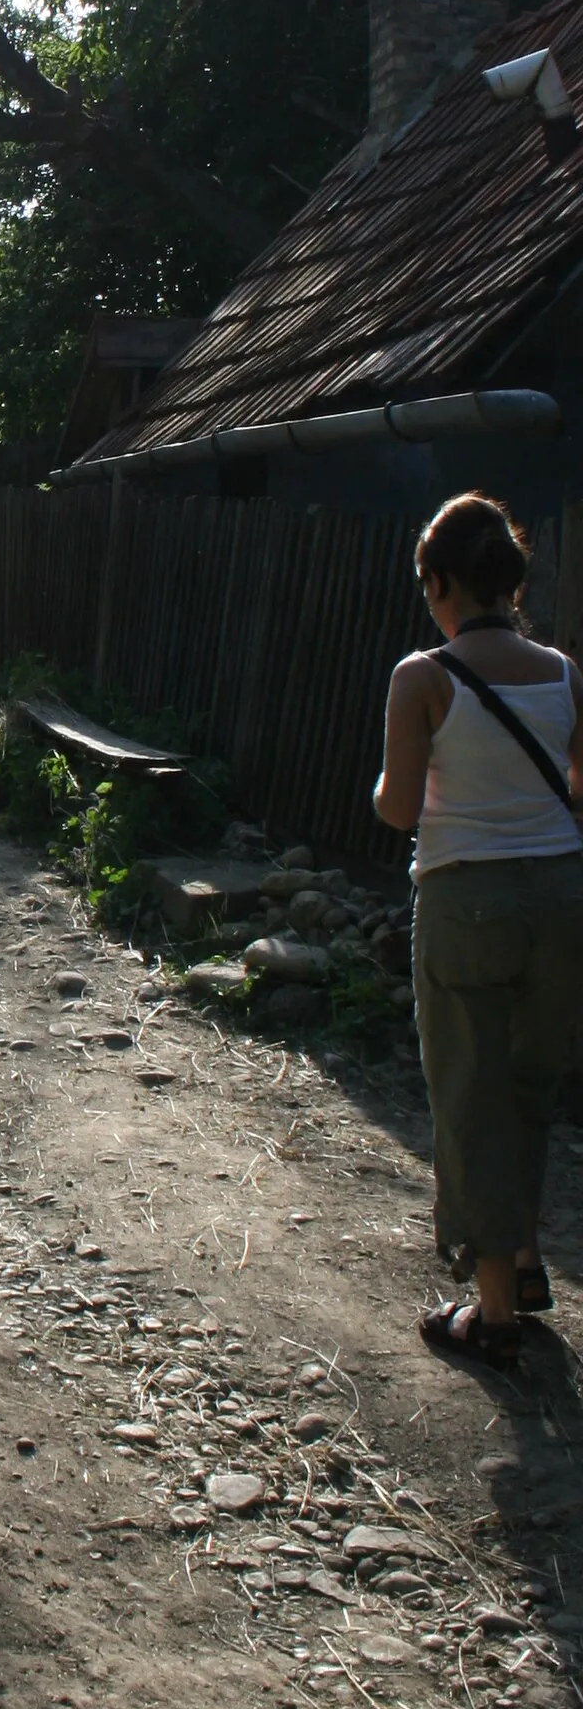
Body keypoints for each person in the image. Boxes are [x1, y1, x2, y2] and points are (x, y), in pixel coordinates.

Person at [374, 491, 583, 1369]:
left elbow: (396, 809)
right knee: (531, 1089)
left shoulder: (422, 677)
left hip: (467, 904)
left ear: (444, 581)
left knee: (470, 1096)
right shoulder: (567, 674)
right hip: (562, 901)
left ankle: (493, 1315)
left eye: (428, 583)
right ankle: (527, 1260)